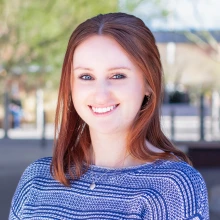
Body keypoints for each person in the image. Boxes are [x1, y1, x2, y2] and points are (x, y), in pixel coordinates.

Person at [9, 12, 209, 219]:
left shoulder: (172, 187)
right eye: (86, 76)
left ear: (149, 84)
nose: (100, 94)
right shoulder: (36, 179)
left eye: (117, 75)